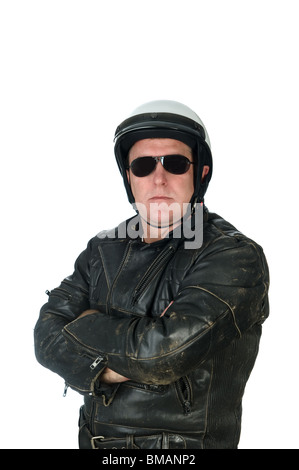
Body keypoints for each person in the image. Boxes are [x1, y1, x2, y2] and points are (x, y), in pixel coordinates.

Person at [34, 100, 270, 450]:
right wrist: (112, 366)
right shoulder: (102, 251)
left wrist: (82, 326)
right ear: (129, 177)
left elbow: (163, 356)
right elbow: (45, 338)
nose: (158, 178)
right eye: (143, 166)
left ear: (200, 172)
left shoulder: (234, 256)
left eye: (175, 164)